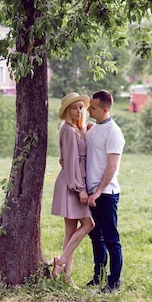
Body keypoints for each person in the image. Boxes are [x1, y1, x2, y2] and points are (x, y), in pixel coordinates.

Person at [51, 92, 95, 281]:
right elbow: (70, 163)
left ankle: (66, 277)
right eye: (74, 108)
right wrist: (80, 189)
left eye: (81, 107)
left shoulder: (78, 129)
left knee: (71, 231)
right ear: (68, 111)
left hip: (76, 182)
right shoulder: (68, 130)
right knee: (88, 224)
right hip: (72, 184)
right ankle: (60, 262)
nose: (79, 111)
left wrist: (88, 130)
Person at [85, 89, 125, 293]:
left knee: (111, 238)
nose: (88, 109)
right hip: (91, 193)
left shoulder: (113, 132)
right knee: (96, 237)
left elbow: (111, 167)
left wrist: (98, 192)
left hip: (106, 194)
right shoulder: (93, 129)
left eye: (93, 107)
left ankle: (114, 282)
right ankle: (98, 276)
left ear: (105, 109)